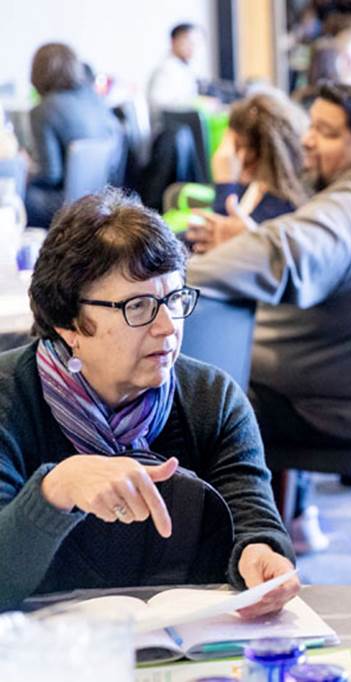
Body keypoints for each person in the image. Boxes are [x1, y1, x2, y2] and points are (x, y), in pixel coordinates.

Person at [0, 189, 297, 611]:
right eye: (138, 306)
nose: (166, 327)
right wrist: (55, 490)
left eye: (174, 300)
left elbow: (254, 521)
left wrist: (260, 554)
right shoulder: (9, 399)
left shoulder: (213, 398)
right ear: (68, 324)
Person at [186, 84, 351, 551]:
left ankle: (212, 555)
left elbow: (281, 252)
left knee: (191, 398)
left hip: (322, 409)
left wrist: (147, 287)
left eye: (326, 133)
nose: (307, 140)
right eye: (311, 127)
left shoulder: (349, 214)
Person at [24, 43, 121, 228]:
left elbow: (50, 174)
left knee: (14, 193)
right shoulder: (95, 100)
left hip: (67, 206)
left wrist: (25, 170)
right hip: (102, 201)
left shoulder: (43, 110)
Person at [208, 92, 309, 228]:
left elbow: (222, 238)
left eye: (235, 147)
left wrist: (225, 183)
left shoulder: (281, 208)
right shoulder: (262, 187)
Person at [147, 23, 205, 126]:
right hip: (169, 130)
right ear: (173, 41)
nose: (193, 47)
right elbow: (159, 105)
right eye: (188, 42)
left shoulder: (184, 67)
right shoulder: (165, 69)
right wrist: (198, 103)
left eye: (196, 43)